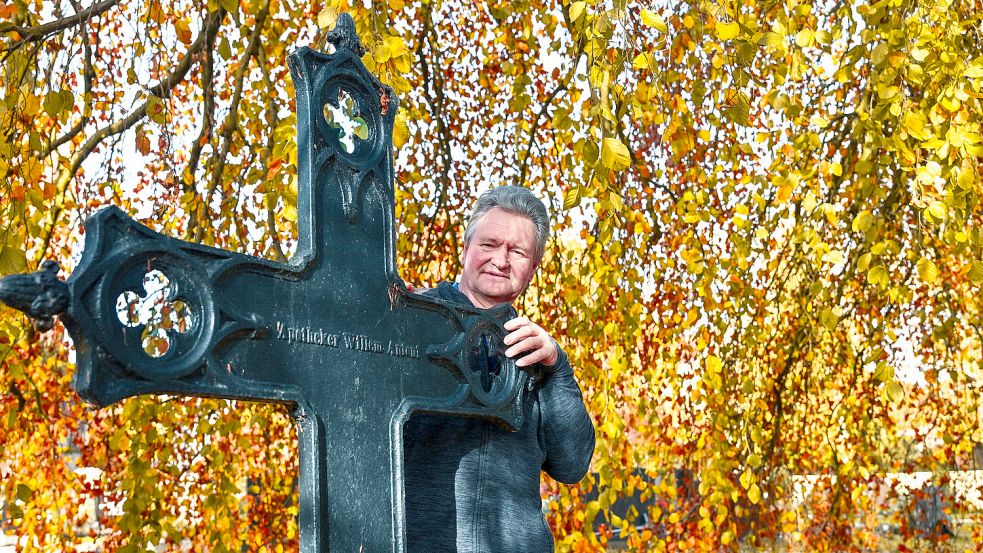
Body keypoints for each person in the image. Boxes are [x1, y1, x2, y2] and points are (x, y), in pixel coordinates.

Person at [404, 186, 595, 552]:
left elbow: (573, 465)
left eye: (517, 251)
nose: (501, 260)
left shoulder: (536, 354)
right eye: (489, 244)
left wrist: (558, 367)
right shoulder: (414, 322)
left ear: (533, 269)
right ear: (466, 249)